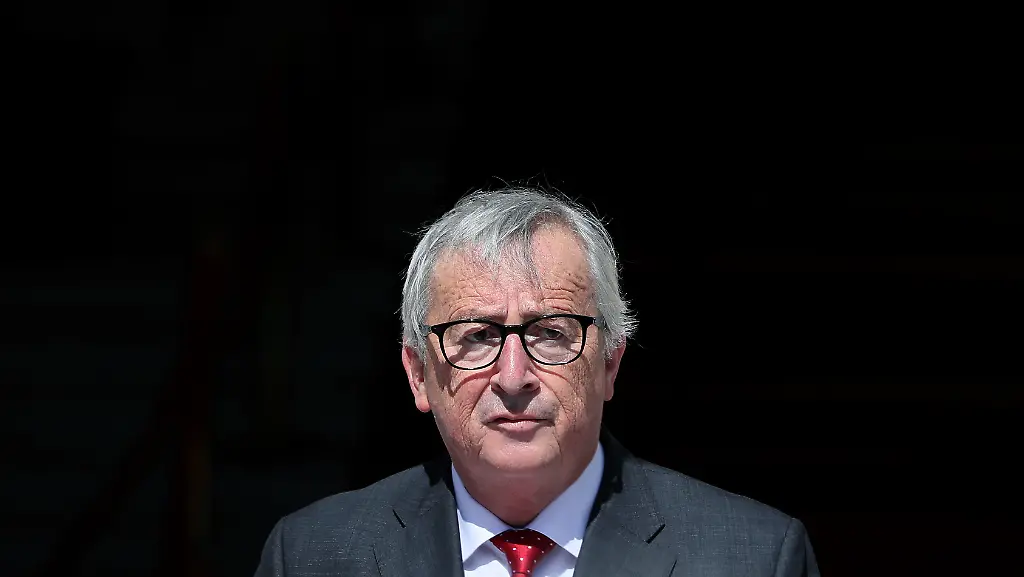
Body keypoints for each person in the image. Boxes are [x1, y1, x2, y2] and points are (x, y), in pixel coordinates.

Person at [254, 187, 820, 576]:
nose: (513, 376)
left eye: (550, 333)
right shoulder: (311, 556)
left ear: (611, 364)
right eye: (477, 336)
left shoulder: (751, 558)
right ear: (418, 375)